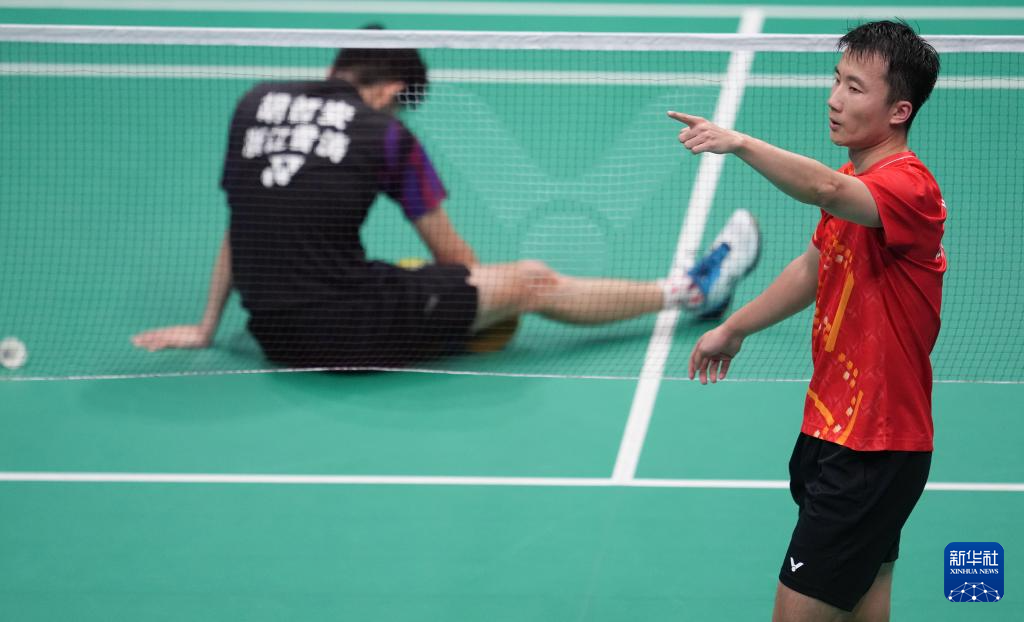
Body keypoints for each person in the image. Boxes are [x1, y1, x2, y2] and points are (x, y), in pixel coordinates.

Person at [132, 40, 761, 368]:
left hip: (272, 334)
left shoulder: (255, 103)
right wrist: (486, 305)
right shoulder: (386, 135)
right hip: (342, 335)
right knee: (531, 282)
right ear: (393, 91)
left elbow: (242, 220)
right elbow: (455, 260)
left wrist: (207, 327)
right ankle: (693, 293)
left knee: (400, 275)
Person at [671, 20, 943, 622]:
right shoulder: (856, 180)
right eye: (836, 80)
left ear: (899, 111)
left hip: (873, 442)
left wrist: (739, 143)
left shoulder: (910, 189)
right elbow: (815, 266)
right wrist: (735, 327)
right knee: (865, 602)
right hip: (833, 426)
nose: (834, 98)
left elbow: (821, 189)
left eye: (854, 87)